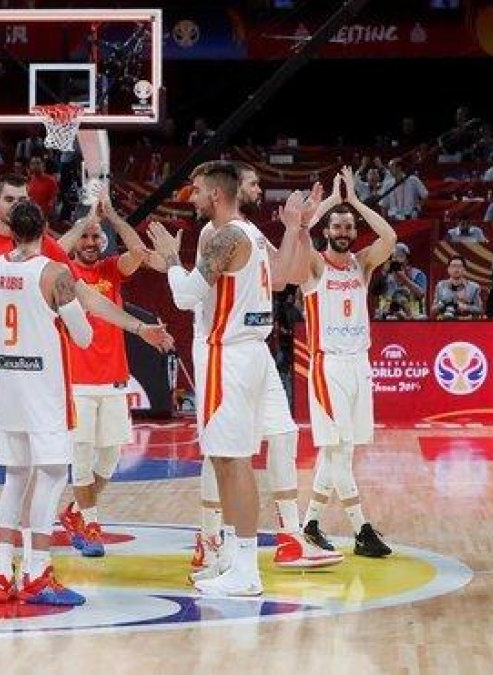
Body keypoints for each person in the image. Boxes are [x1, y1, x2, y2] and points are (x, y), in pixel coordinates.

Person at [0, 173, 171, 581]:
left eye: (18, 199)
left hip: (7, 374)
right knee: (19, 465)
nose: (12, 203)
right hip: (12, 377)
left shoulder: (3, 268)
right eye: (8, 197)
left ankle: (6, 565)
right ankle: (3, 549)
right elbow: (84, 312)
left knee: (17, 473)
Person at [147, 160, 305, 597]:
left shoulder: (227, 235)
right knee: (225, 461)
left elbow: (183, 296)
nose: (192, 198)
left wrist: (168, 261)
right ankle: (233, 561)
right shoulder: (252, 234)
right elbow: (284, 279)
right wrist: (295, 228)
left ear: (216, 194)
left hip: (227, 354)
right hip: (250, 353)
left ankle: (246, 570)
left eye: (196, 191)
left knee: (233, 464)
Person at [177, 165, 343, 577]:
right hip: (218, 343)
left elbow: (290, 275)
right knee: (223, 456)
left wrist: (302, 227)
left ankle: (276, 541)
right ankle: (212, 540)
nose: (259, 188)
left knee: (258, 445)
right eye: (253, 183)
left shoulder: (243, 232)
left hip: (241, 346)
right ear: (233, 188)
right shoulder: (216, 234)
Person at [0, 201, 92, 605]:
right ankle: (37, 571)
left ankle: (0, 574)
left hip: (7, 386)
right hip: (44, 390)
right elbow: (82, 336)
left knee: (15, 478)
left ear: (10, 231)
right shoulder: (55, 273)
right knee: (51, 477)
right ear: (46, 230)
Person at [292, 167, 398, 559]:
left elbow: (389, 237)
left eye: (348, 226)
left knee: (340, 451)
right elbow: (299, 233)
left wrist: (354, 202)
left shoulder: (362, 265)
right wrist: (327, 205)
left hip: (359, 364)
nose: (342, 230)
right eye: (336, 225)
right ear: (327, 231)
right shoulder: (315, 266)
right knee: (337, 450)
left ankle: (310, 524)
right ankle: (361, 529)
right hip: (328, 365)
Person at [54, 189, 148, 557]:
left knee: (108, 459)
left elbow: (139, 253)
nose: (91, 242)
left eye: (97, 237)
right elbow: (56, 250)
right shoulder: (63, 271)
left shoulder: (112, 270)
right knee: (80, 456)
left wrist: (113, 216)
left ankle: (75, 512)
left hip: (113, 380)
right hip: (76, 381)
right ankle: (91, 525)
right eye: (87, 236)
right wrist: (82, 222)